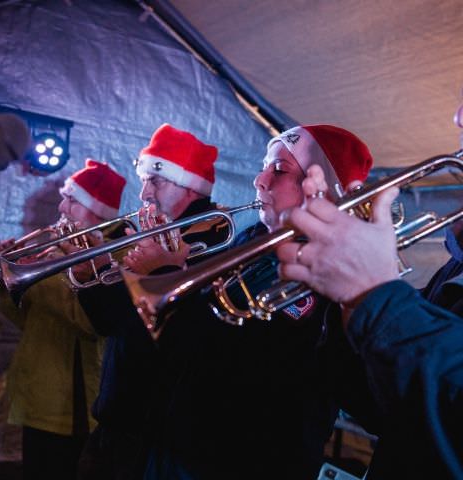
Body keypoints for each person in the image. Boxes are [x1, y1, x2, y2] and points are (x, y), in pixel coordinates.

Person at [132, 124, 379, 480]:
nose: (259, 180)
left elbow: (228, 356)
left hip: (242, 461)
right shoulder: (254, 237)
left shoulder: (327, 269)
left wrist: (162, 275)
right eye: (265, 166)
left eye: (280, 170)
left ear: (321, 188)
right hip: (181, 444)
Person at [276, 164, 463, 479]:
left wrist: (375, 296)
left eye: (279, 169)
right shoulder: (453, 267)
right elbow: (384, 410)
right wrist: (348, 303)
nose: (459, 118)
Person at [76, 124, 230, 479]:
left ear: (190, 186)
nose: (144, 193)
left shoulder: (209, 240)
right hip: (120, 419)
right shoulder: (159, 231)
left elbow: (122, 321)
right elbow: (106, 319)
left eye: (155, 181)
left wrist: (143, 270)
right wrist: (89, 275)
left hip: (154, 432)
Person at [0, 159, 127, 480]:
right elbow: (24, 319)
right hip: (39, 396)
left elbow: (88, 322)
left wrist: (36, 282)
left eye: (72, 199)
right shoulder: (57, 248)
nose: (61, 206)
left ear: (96, 211)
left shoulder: (116, 252)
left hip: (76, 406)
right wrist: (8, 281)